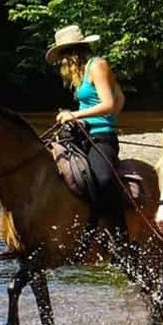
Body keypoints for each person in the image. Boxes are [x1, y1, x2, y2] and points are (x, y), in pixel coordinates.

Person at [46, 25, 127, 239]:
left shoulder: (97, 66)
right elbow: (120, 98)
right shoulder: (81, 73)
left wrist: (78, 116)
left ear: (73, 53)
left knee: (102, 178)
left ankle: (119, 231)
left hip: (101, 137)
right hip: (82, 134)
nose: (61, 63)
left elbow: (110, 102)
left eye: (62, 56)